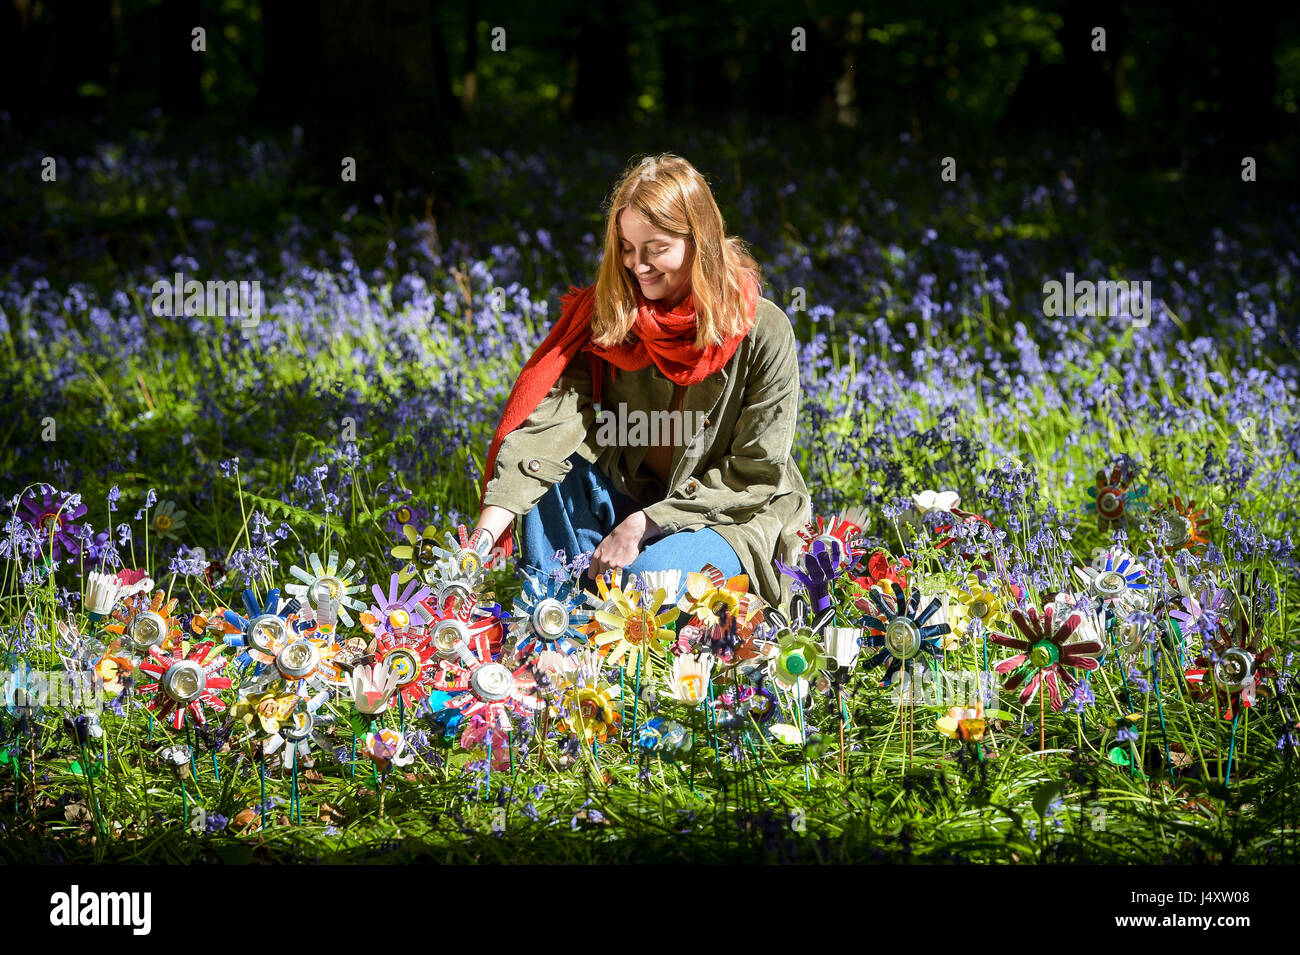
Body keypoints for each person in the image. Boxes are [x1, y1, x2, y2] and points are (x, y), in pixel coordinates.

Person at [473, 152, 810, 609]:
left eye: (656, 249)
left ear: (700, 242)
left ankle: (597, 611)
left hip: (727, 517)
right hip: (629, 494)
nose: (638, 266)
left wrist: (645, 525)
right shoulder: (609, 316)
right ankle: (551, 619)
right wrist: (482, 538)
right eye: (628, 249)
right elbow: (546, 429)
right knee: (543, 483)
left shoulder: (762, 331)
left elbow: (753, 475)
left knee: (648, 583)